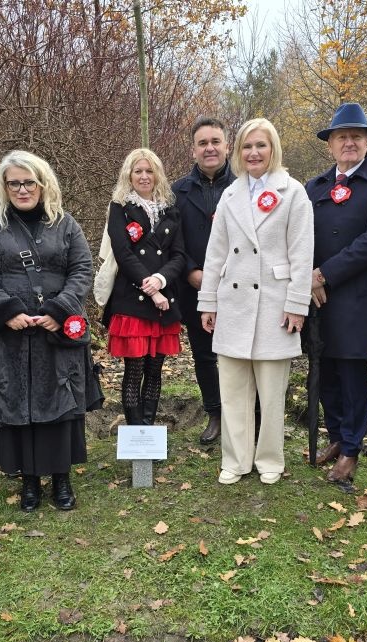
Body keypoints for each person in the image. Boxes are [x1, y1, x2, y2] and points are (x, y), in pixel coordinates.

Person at [0, 150, 93, 512]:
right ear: (4, 186)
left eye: (28, 181)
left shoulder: (65, 223)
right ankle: (30, 481)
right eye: (14, 182)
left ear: (42, 183)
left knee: (60, 399)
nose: (22, 189)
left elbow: (82, 269)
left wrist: (59, 310)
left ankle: (61, 478)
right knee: (20, 402)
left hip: (56, 330)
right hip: (10, 332)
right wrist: (6, 310)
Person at [198, 118, 314, 485]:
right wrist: (208, 302)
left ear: (273, 149)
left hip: (275, 304)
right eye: (247, 147)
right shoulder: (230, 195)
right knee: (232, 391)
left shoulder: (293, 192)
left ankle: (270, 459)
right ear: (238, 153)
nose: (253, 153)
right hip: (232, 303)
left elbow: (302, 252)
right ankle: (235, 459)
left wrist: (297, 304)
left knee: (271, 392)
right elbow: (215, 254)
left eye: (261, 146)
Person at [306, 103, 367, 484]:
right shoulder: (314, 187)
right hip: (315, 298)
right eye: (342, 136)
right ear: (330, 143)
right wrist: (305, 277)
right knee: (324, 370)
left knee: (351, 375)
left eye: (357, 137)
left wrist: (323, 274)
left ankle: (351, 449)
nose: (349, 142)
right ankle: (335, 435)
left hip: (356, 297)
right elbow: (299, 237)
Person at [104, 148, 186, 426]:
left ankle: (148, 431)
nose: (144, 176)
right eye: (138, 171)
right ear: (129, 174)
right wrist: (151, 288)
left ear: (157, 174)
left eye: (149, 170)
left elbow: (178, 255)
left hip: (165, 300)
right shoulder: (119, 207)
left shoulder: (170, 209)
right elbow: (124, 254)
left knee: (155, 370)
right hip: (132, 300)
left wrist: (161, 280)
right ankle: (136, 435)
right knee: (134, 370)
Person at [172, 117, 235, 444]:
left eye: (215, 141)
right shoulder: (177, 191)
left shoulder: (244, 186)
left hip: (240, 287)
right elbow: (172, 239)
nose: (209, 148)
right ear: (193, 149)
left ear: (227, 145)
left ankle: (244, 416)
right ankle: (215, 413)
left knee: (239, 355)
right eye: (202, 143)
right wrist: (191, 271)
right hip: (194, 285)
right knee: (205, 354)